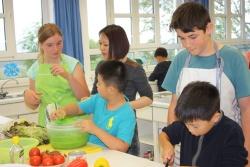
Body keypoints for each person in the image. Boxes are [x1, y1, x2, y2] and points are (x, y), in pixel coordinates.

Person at [161, 2, 250, 164]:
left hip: (225, 149)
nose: (187, 44)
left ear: (208, 28)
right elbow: (174, 105)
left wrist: (248, 153)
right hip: (188, 149)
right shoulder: (180, 60)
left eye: (192, 37)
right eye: (182, 38)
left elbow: (247, 108)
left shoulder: (233, 58)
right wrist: (172, 142)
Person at [91, 24, 153, 156]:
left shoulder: (135, 68)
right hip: (101, 128)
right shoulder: (101, 66)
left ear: (117, 45)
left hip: (124, 128)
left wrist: (123, 107)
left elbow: (148, 98)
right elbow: (94, 95)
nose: (101, 48)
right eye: (100, 43)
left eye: (105, 45)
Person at [50, 60, 136, 152]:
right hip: (91, 151)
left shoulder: (127, 114)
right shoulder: (98, 99)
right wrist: (65, 110)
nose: (96, 85)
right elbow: (78, 108)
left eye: (99, 83)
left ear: (111, 89)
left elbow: (122, 147)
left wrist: (94, 129)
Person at [160, 81, 248, 167]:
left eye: (195, 126)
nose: (189, 129)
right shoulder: (188, 121)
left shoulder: (231, 132)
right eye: (186, 124)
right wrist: (166, 145)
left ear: (215, 117)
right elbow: (165, 134)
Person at [24, 23, 90, 127]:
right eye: (49, 45)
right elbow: (33, 105)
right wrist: (27, 97)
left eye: (59, 43)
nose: (56, 49)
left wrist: (68, 76)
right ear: (41, 45)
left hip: (74, 123)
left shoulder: (73, 64)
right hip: (47, 124)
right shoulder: (35, 69)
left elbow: (85, 98)